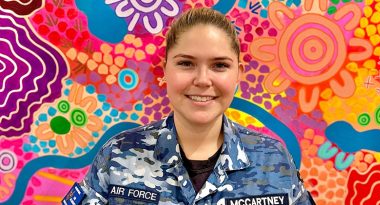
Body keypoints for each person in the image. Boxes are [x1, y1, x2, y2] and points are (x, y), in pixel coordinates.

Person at [64, 7, 315, 205]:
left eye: (219, 65)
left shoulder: (273, 159)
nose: (203, 80)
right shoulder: (117, 156)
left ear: (238, 74)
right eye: (186, 63)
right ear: (165, 70)